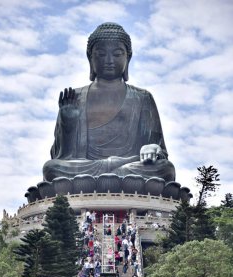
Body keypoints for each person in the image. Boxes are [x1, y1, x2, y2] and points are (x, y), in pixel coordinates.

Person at [43, 23, 176, 183]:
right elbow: (61, 156)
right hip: (87, 168)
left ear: (128, 57)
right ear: (90, 58)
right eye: (100, 54)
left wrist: (153, 148)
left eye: (117, 54)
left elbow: (158, 150)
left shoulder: (142, 98)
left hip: (129, 166)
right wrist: (68, 124)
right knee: (51, 168)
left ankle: (108, 178)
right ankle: (112, 178)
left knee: (165, 168)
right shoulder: (75, 97)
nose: (109, 60)